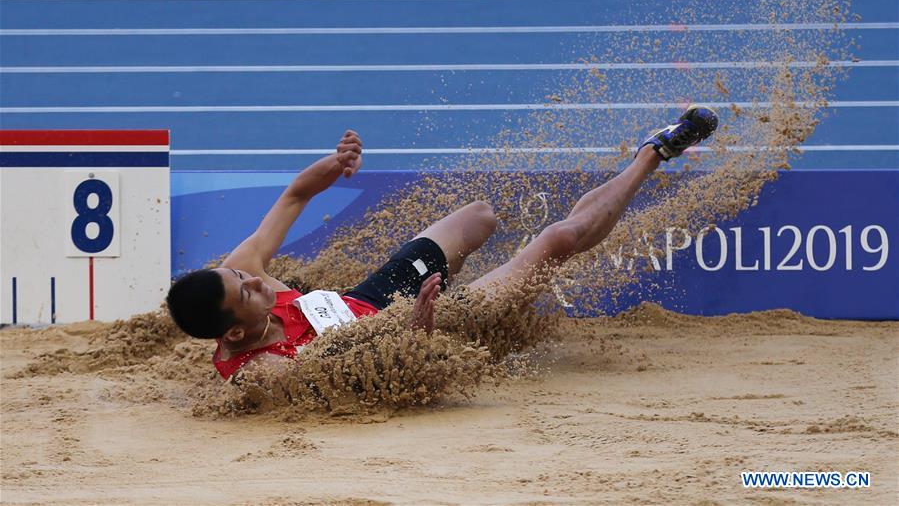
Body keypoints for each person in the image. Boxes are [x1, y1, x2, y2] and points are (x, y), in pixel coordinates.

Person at [167, 106, 718, 380]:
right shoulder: (267, 373)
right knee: (556, 241)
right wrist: (423, 327)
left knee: (480, 217)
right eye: (250, 290)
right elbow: (393, 375)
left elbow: (291, 197)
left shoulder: (236, 276)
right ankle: (654, 153)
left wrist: (336, 165)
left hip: (370, 295)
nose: (258, 278)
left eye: (245, 273)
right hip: (421, 324)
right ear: (236, 330)